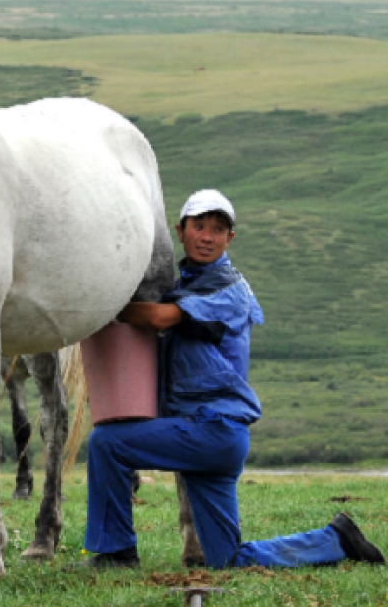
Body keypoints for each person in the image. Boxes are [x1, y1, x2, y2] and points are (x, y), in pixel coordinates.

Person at [78, 189, 384, 570]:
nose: (207, 236)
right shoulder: (188, 287)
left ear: (230, 238)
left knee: (107, 443)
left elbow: (158, 318)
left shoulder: (228, 289)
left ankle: (116, 552)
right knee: (227, 558)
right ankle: (336, 539)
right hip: (216, 439)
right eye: (200, 226)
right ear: (181, 230)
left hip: (213, 430)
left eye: (218, 229)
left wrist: (97, 304)